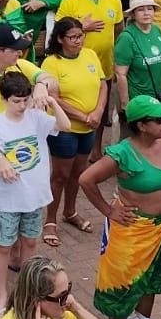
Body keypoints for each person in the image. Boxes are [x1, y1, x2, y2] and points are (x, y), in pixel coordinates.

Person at [78, 94, 161, 319]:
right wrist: (109, 210)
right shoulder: (122, 154)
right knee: (121, 290)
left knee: (149, 283)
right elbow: (86, 179)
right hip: (132, 233)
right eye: (159, 120)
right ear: (141, 126)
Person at [0, 70, 70, 319]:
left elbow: (64, 126)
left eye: (24, 100)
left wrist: (52, 101)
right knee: (4, 246)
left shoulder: (37, 118)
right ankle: (1, 295)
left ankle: (26, 291)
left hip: (35, 196)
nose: (21, 106)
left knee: (30, 243)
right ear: (4, 98)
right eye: (16, 101)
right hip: (8, 198)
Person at [40, 17, 108, 242]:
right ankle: (50, 219)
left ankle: (70, 212)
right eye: (73, 37)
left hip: (89, 127)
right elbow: (54, 97)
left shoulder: (89, 55)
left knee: (77, 173)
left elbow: (102, 84)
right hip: (64, 129)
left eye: (81, 36)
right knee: (60, 176)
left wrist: (98, 112)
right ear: (60, 39)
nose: (78, 41)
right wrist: (83, 116)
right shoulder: (52, 63)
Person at [0, 255, 109, 319]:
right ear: (36, 300)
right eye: (62, 296)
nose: (68, 298)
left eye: (68, 290)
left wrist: (78, 309)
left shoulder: (62, 314)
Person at [115, 0, 161, 108]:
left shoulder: (157, 30)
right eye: (140, 10)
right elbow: (120, 74)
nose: (146, 13)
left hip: (157, 97)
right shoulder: (126, 37)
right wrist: (126, 105)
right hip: (138, 99)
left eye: (150, 9)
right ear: (133, 14)